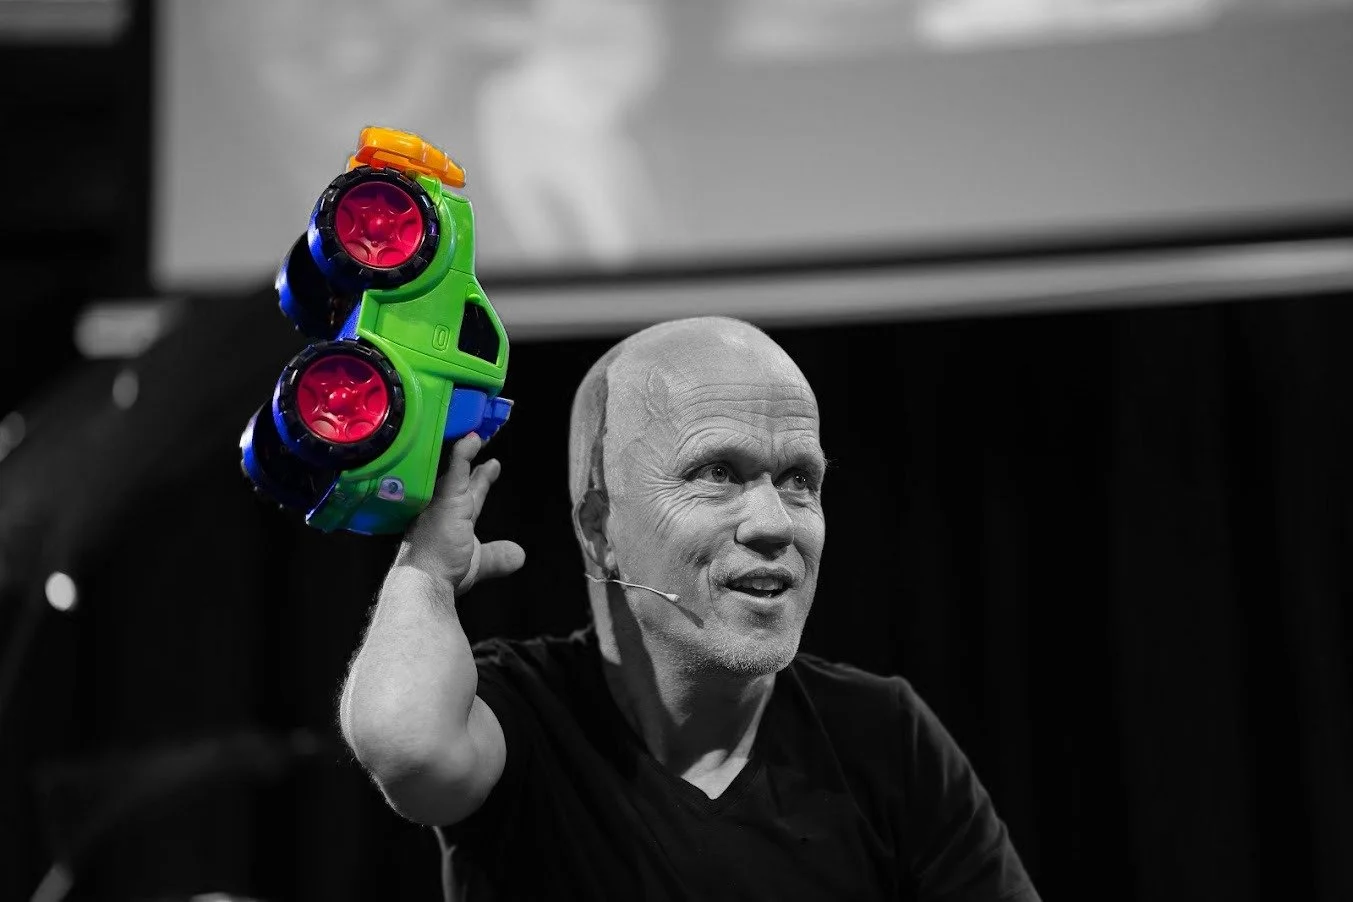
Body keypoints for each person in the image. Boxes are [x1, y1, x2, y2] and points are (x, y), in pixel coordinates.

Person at [339, 317, 1041, 900]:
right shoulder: (524, 715)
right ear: (599, 529)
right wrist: (425, 572)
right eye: (717, 474)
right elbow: (407, 747)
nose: (775, 524)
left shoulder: (884, 737)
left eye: (799, 479)